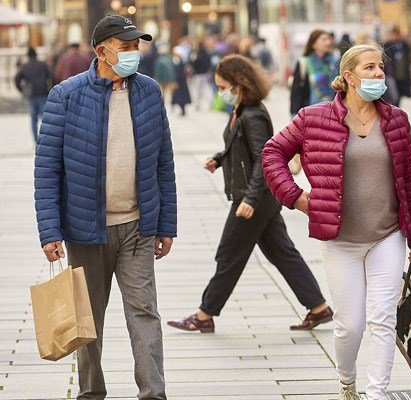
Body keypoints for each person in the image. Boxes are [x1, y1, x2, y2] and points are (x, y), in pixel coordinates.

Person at [262, 43, 411, 400]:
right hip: (340, 239)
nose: (378, 74)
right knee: (349, 325)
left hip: (387, 236)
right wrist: (295, 196)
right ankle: (347, 379)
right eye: (369, 68)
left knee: (383, 318)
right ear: (350, 77)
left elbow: (410, 180)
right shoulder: (314, 118)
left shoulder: (396, 120)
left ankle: (377, 392)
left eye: (381, 68)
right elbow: (273, 152)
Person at [34, 15, 175, 399]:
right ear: (102, 50)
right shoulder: (66, 95)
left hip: (137, 226)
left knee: (144, 313)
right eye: (126, 46)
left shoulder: (148, 91)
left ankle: (153, 393)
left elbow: (163, 160)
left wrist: (166, 224)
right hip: (86, 229)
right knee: (88, 320)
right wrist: (50, 231)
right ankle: (91, 392)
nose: (134, 53)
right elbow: (47, 168)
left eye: (136, 46)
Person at [167, 54, 333, 334]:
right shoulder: (242, 111)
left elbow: (263, 160)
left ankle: (204, 315)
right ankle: (318, 308)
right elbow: (242, 147)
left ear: (239, 84)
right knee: (282, 253)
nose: (221, 93)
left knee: (229, 254)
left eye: (223, 87)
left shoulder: (253, 115)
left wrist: (250, 199)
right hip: (260, 197)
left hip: (253, 198)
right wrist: (220, 158)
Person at [290, 29, 338, 116]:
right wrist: (294, 114)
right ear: (313, 44)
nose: (328, 42)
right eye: (323, 39)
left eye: (328, 39)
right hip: (310, 113)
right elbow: (296, 92)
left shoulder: (334, 62)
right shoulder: (304, 63)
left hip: (332, 113)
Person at [14, 47, 52, 144]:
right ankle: (46, 139)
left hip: (30, 95)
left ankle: (36, 140)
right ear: (36, 54)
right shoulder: (42, 65)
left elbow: (17, 79)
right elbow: (51, 76)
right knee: (45, 119)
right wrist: (50, 89)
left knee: (33, 119)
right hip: (43, 93)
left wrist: (22, 90)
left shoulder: (25, 66)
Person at [384, 26, 411, 106]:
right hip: (391, 74)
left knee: (400, 93)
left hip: (402, 74)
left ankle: (397, 107)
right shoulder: (387, 45)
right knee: (393, 94)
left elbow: (408, 58)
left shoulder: (404, 45)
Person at [190, 41, 214, 111]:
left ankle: (197, 105)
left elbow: (194, 64)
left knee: (198, 90)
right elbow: (209, 64)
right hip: (205, 74)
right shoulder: (207, 54)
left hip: (198, 75)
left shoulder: (197, 55)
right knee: (206, 89)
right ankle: (210, 103)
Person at [171, 48, 192, 116]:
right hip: (180, 81)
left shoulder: (180, 62)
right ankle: (179, 109)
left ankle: (182, 110)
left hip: (181, 82)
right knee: (178, 97)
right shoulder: (177, 61)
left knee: (180, 97)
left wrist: (176, 81)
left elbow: (179, 73)